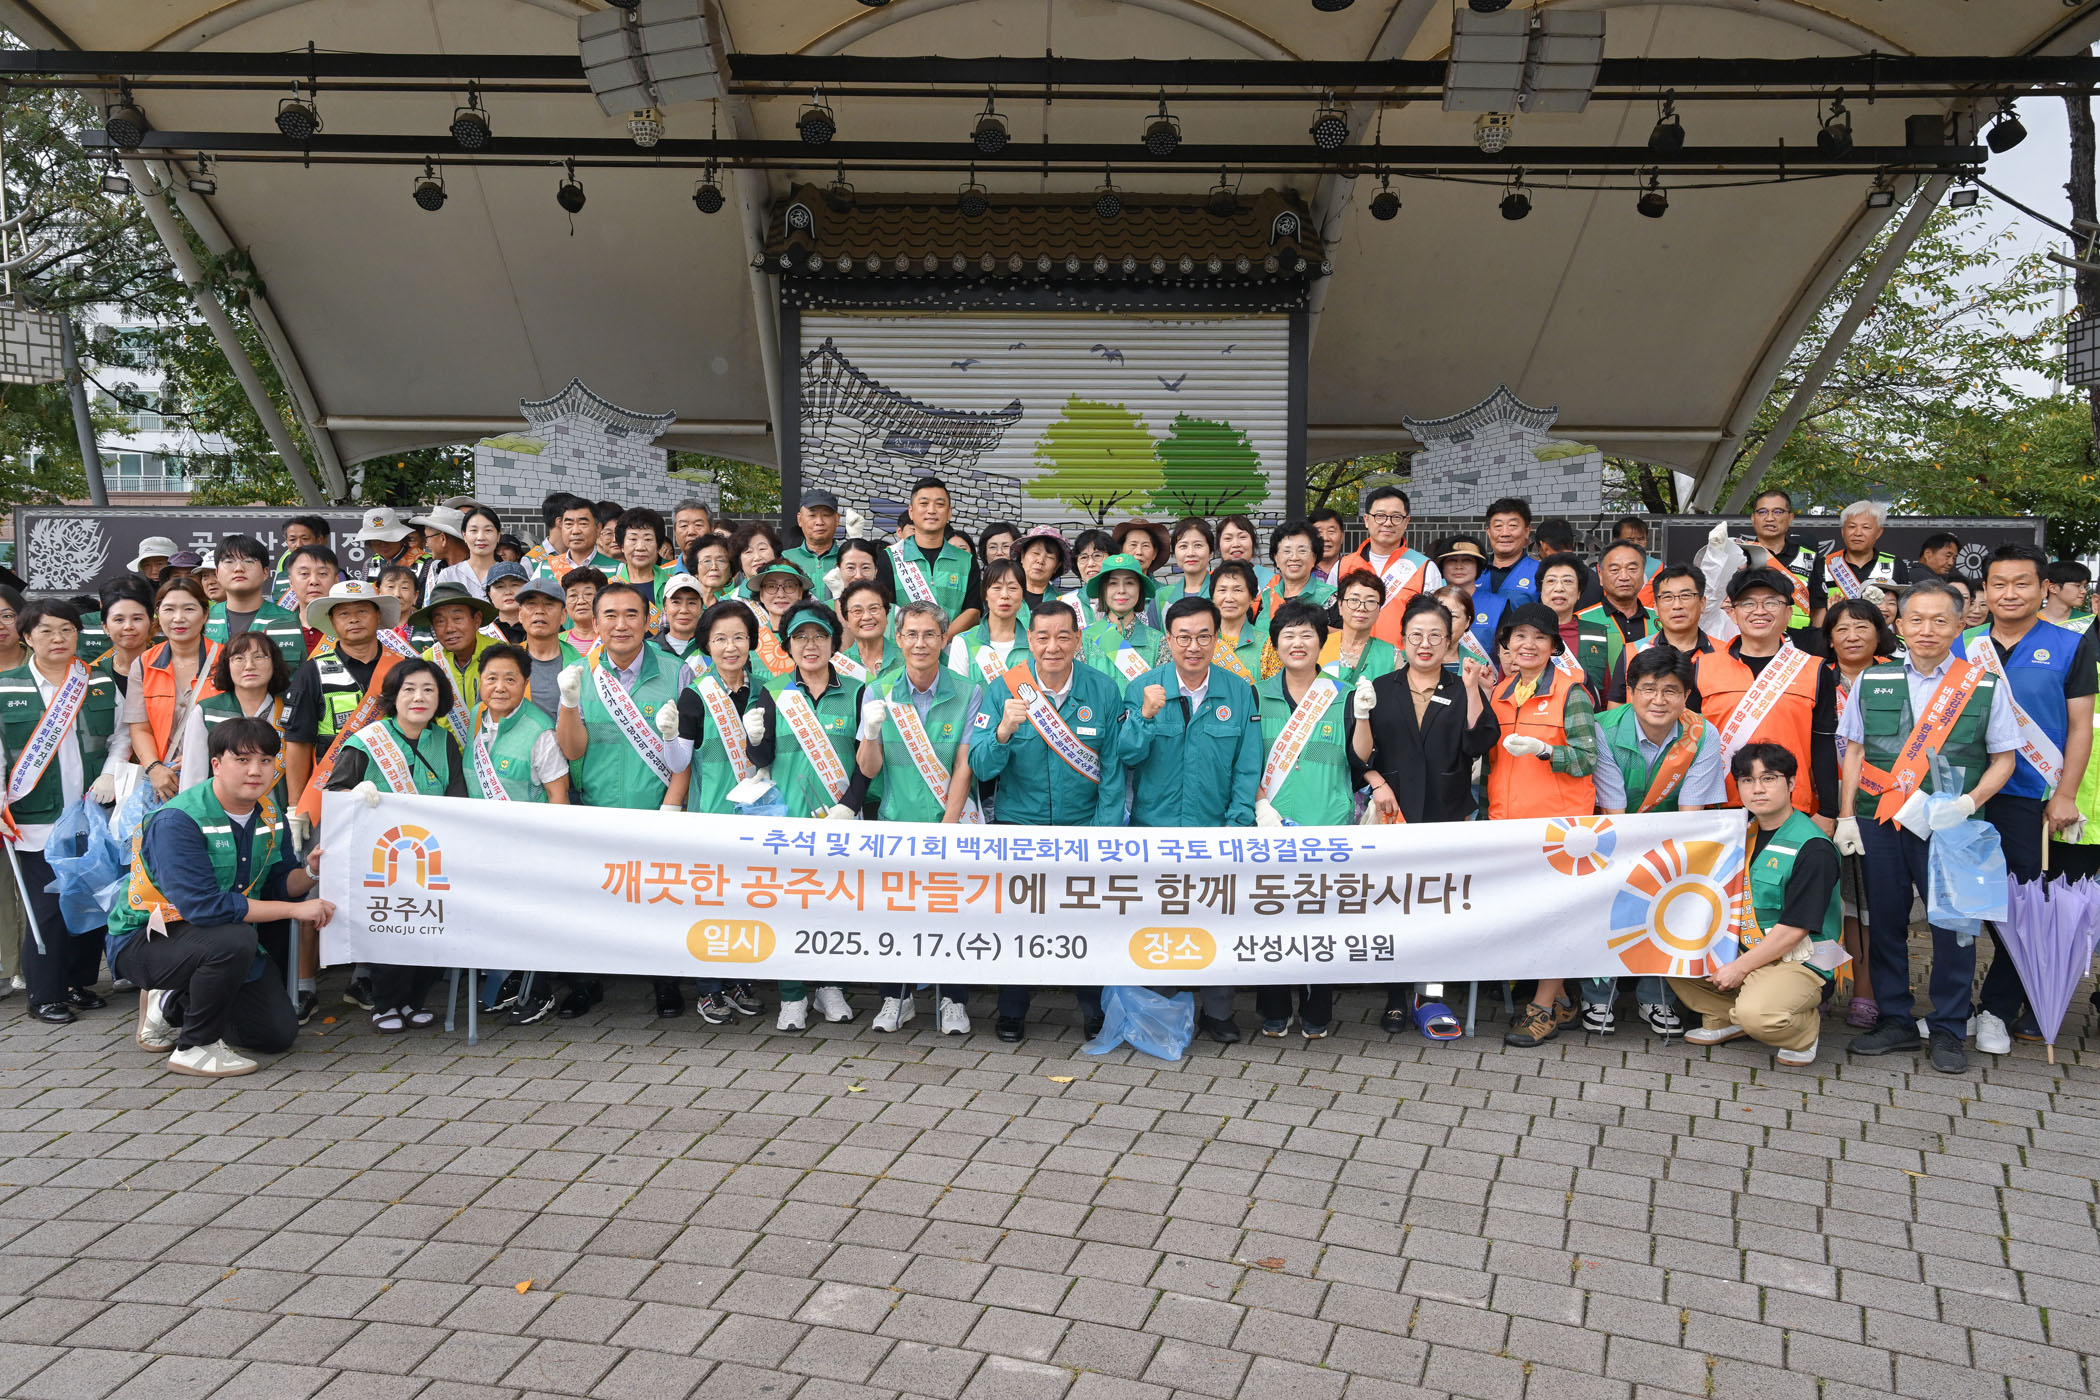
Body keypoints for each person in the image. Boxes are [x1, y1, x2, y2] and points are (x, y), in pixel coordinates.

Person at [1837, 577, 2019, 1074]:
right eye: (1916, 619)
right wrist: (1847, 815)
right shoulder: (1872, 680)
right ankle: (1895, 1019)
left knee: (1954, 927)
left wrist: (1968, 803)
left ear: (1960, 626)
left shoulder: (1983, 685)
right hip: (1881, 821)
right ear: (1899, 625)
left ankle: (1949, 1027)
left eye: (1940, 620)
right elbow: (1854, 750)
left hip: (1953, 827)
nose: (1927, 630)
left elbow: (2004, 758)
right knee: (1885, 922)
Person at [112, 717, 328, 1077]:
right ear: (216, 764)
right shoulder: (178, 819)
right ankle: (195, 1047)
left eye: (265, 760)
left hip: (219, 938)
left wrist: (312, 873)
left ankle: (170, 1003)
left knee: (275, 1034)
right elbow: (204, 907)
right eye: (242, 760)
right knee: (234, 938)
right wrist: (295, 911)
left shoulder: (269, 813)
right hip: (148, 939)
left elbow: (277, 883)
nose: (255, 771)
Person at [969, 602, 1127, 1042]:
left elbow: (1113, 772)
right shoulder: (1004, 689)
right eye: (1042, 637)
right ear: (1030, 641)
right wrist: (1002, 732)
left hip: (1083, 827)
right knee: (1020, 921)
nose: (1052, 646)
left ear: (1077, 640)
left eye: (1062, 637)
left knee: (1086, 921)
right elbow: (981, 766)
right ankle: (1011, 1010)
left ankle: (1093, 1009)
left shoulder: (1103, 690)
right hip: (1021, 827)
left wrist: (1102, 835)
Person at [1961, 544, 2097, 1051]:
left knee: (2022, 906)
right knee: (1965, 901)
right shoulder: (1964, 643)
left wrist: (2066, 794)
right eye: (1999, 584)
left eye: (2022, 583)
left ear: (2044, 589)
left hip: (2031, 795)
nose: (2010, 593)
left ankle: (1997, 1008)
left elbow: (2080, 727)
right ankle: (1958, 1008)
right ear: (1985, 590)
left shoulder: (2069, 645)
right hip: (1967, 794)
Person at [1119, 596, 1262, 1043]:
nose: (1194, 646)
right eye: (1183, 637)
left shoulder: (1238, 690)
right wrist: (1145, 716)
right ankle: (1160, 1009)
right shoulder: (1143, 687)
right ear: (1169, 639)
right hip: (1155, 831)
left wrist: (1237, 824)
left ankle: (1217, 1012)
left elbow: (1247, 765)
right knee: (1160, 921)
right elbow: (1126, 756)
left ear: (1217, 638)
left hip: (1215, 830)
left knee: (1217, 920)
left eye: (1204, 636)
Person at [1355, 596, 1498, 1036]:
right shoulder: (1380, 687)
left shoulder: (1460, 686)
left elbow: (1479, 741)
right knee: (1395, 908)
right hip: (1394, 816)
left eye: (1436, 635)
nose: (1425, 643)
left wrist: (1472, 688)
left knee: (1436, 911)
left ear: (1450, 639)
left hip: (1445, 814)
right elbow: (1357, 756)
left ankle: (1431, 995)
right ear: (1402, 639)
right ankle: (1397, 997)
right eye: (1416, 634)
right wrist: (1376, 780)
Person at [285, 578, 415, 1014]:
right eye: (343, 612)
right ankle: (304, 985)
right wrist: (296, 805)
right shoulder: (312, 670)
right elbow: (297, 742)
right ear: (332, 621)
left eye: (362, 610)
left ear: (378, 616)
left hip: (389, 794)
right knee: (314, 886)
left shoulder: (402, 669)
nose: (354, 618)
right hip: (329, 796)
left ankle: (364, 977)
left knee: (379, 883)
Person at [553, 583, 682, 1020]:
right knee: (592, 903)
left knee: (659, 900)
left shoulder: (676, 672)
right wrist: (569, 702)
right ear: (594, 622)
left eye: (631, 614)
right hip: (597, 810)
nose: (621, 624)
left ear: (648, 620)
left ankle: (666, 982)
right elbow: (571, 751)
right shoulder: (578, 673)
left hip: (657, 809)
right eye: (610, 615)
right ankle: (586, 983)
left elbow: (688, 750)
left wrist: (672, 808)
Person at [1586, 645, 1727, 1038]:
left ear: (1686, 696)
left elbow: (1690, 813)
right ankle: (1597, 994)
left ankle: (1656, 996)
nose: (1659, 700)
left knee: (1673, 897)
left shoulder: (1703, 734)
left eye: (1671, 691)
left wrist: (1668, 864)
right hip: (1612, 835)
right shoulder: (1602, 728)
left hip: (1671, 839)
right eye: (1648, 689)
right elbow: (1613, 809)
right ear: (1631, 692)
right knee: (1603, 902)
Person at [1672, 742, 1842, 1068]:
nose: (1757, 789)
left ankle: (1801, 1031)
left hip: (1800, 959)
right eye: (1747, 780)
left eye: (1769, 778)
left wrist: (1739, 968)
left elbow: (1794, 930)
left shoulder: (1813, 848)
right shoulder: (1741, 832)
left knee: (1760, 1015)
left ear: (1791, 783)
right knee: (1666, 951)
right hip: (1745, 948)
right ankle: (1728, 1017)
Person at [859, 599, 981, 1035]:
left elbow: (964, 764)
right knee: (896, 914)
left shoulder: (968, 690)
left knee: (953, 912)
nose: (920, 643)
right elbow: (869, 770)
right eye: (911, 634)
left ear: (944, 639)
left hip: (951, 822)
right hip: (897, 823)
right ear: (898, 639)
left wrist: (949, 827)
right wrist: (870, 732)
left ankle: (953, 999)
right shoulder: (878, 691)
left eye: (930, 634)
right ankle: (897, 996)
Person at [326, 658, 467, 1031]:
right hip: (381, 860)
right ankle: (385, 1004)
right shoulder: (367, 741)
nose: (419, 698)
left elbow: (457, 797)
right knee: (394, 929)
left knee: (430, 927)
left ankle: (413, 1002)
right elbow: (334, 794)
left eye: (428, 690)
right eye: (409, 689)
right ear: (393, 696)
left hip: (431, 856)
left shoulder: (445, 741)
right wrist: (356, 793)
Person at [1, 600, 121, 1025]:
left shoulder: (97, 679)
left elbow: (122, 735)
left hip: (91, 814)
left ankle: (78, 983)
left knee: (88, 898)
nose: (58, 639)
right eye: (47, 631)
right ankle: (45, 994)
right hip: (34, 818)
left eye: (67, 630)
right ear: (27, 637)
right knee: (48, 906)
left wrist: (110, 774)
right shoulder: (6, 687)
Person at [1485, 602, 1598, 1048]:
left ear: (1554, 646)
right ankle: (1563, 999)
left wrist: (1545, 750)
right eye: (1520, 636)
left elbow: (1587, 758)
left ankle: (1542, 1008)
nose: (1528, 645)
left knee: (1556, 919)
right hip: (1507, 825)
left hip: (1558, 830)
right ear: (1507, 644)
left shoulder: (1572, 692)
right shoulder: (1500, 692)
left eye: (1539, 637)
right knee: (1527, 920)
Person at [1252, 601, 1366, 1040]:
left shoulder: (1345, 694)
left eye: (1307, 635)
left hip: (1326, 824)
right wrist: (1260, 804)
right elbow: (1246, 761)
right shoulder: (1256, 694)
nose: (1297, 643)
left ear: (1321, 642)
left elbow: (1359, 758)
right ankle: (1274, 1007)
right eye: (1288, 635)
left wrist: (1365, 715)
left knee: (1320, 919)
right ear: (1275, 643)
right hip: (1270, 825)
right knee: (1271, 915)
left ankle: (1317, 1007)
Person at [660, 599, 775, 1026]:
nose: (730, 647)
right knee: (711, 904)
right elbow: (679, 763)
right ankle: (709, 988)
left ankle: (739, 980)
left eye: (739, 638)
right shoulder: (696, 694)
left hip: (759, 816)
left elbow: (770, 754)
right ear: (707, 645)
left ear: (752, 642)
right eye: (720, 639)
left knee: (747, 902)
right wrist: (670, 736)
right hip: (711, 815)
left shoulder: (767, 690)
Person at [759, 601, 871, 1029]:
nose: (810, 645)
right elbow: (761, 759)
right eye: (800, 637)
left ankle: (830, 987)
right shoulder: (773, 692)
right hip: (788, 822)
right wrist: (753, 739)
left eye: (820, 635)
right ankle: (792, 995)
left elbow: (866, 762)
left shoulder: (858, 691)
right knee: (789, 908)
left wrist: (850, 805)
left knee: (835, 906)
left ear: (833, 642)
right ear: (788, 645)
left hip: (842, 821)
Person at [1692, 568, 1836, 818]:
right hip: (1718, 808)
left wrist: (1828, 812)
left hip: (1792, 808)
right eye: (1748, 603)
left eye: (1771, 602)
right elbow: (1688, 744)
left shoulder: (1813, 669)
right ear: (1733, 612)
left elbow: (1823, 744)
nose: (1759, 611)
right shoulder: (1701, 668)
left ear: (1788, 612)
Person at [1814, 598, 1897, 1029]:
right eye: (1841, 629)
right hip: (1823, 803)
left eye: (1862, 627)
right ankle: (1819, 984)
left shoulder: (1897, 676)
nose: (1852, 636)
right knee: (1825, 900)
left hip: (1879, 803)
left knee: (1866, 901)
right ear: (1829, 638)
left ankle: (1866, 989)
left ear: (1879, 633)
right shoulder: (1815, 675)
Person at [128, 577, 223, 802]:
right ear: (158, 615)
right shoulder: (144, 664)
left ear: (205, 614)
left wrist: (199, 757)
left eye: (189, 609)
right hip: (162, 781)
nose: (178, 618)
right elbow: (139, 727)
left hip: (215, 777)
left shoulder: (227, 660)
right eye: (169, 609)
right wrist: (154, 768)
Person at [1330, 486, 1442, 647]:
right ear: (1366, 520)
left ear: (1406, 522)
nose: (1388, 523)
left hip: (1402, 659)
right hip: (1351, 659)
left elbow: (1434, 622)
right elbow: (1331, 618)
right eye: (1380, 516)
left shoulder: (1425, 568)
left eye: (1396, 517)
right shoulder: (1342, 566)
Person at [893, 478, 983, 639]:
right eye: (924, 503)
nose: (931, 510)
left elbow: (973, 610)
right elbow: (886, 610)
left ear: (949, 512)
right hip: (903, 650)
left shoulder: (966, 561)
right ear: (911, 511)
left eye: (939, 504)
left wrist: (942, 639)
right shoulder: (891, 557)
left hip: (951, 651)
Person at [412, 582, 501, 742]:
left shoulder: (503, 656)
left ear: (476, 620)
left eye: (457, 618)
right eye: (440, 621)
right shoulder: (426, 663)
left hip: (496, 750)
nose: (449, 628)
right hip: (444, 753)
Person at [207, 535, 308, 669]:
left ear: (265, 573)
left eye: (249, 561)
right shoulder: (203, 620)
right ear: (217, 573)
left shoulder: (291, 621)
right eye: (229, 561)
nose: (238, 568)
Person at [1809, 500, 1909, 624]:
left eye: (1865, 527)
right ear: (1842, 531)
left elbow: (1902, 612)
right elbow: (1818, 613)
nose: (1857, 533)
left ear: (1879, 532)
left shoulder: (1894, 565)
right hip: (1837, 633)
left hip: (1882, 635)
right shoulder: (1825, 565)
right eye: (1852, 527)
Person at [1577, 540, 1650, 701]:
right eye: (1615, 570)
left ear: (1643, 574)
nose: (1624, 577)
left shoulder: (1661, 620)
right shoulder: (1580, 620)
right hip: (1600, 710)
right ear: (1600, 576)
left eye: (1632, 569)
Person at [1080, 553, 1164, 683]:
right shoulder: (1084, 639)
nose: (1121, 590)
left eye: (1129, 583)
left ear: (1140, 590)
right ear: (1103, 590)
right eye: (1113, 583)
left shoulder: (1158, 642)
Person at [1473, 497, 1540, 654]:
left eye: (1513, 526)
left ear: (1527, 530)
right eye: (1498, 526)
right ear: (1488, 531)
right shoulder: (1473, 573)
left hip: (1521, 660)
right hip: (1472, 662)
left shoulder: (1541, 573)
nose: (1505, 533)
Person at [947, 559, 1030, 686]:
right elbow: (960, 694)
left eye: (1013, 588)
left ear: (1023, 594)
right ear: (985, 593)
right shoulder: (964, 641)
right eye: (997, 588)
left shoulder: (1034, 643)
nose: (1004, 595)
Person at [515, 577, 584, 723]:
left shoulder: (582, 665)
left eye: (549, 604)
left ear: (563, 616)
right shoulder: (506, 660)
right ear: (520, 614)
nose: (539, 611)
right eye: (531, 604)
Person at [1322, 570, 1398, 687]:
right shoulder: (1319, 646)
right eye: (1354, 600)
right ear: (1340, 606)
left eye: (1371, 601)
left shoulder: (1393, 655)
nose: (1361, 608)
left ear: (1379, 610)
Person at [744, 561, 813, 681]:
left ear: (800, 592)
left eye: (789, 586)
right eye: (771, 586)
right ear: (761, 595)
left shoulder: (815, 636)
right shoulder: (750, 639)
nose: (780, 594)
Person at [608, 507, 678, 623]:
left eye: (648, 539)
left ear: (658, 546)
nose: (640, 547)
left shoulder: (673, 586)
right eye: (633, 539)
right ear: (622, 546)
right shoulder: (609, 587)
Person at [1633, 564, 1712, 660]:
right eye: (1667, 597)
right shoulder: (1634, 652)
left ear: (1702, 604)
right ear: (1656, 607)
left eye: (1685, 595)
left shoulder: (1723, 653)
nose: (1677, 606)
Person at [782, 489, 846, 600]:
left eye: (826, 515)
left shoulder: (847, 559)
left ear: (837, 519)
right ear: (800, 519)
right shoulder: (786, 559)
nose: (819, 522)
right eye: (812, 515)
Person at [1210, 562, 1268, 682]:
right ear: (1213, 597)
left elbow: (1274, 689)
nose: (1229, 598)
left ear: (1252, 598)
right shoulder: (1202, 640)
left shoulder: (1267, 643)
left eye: (1237, 590)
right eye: (1222, 590)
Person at [1261, 523, 1334, 618]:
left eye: (1302, 551)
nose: (1294, 557)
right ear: (1276, 559)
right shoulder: (1266, 598)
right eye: (1287, 551)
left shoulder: (1330, 598)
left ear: (1314, 558)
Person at [282, 544, 341, 652]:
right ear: (291, 583)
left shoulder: (350, 629)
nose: (314, 581)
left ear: (336, 580)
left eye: (322, 573)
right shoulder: (275, 630)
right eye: (304, 574)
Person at [534, 494, 603, 582]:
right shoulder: (545, 568)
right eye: (569, 524)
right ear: (561, 526)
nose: (575, 531)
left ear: (598, 528)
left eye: (583, 524)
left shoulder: (616, 569)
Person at [410, 505, 472, 599]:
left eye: (427, 537)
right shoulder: (433, 568)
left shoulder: (477, 570)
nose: (427, 543)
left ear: (443, 539)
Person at [357, 506, 425, 588]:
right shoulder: (370, 562)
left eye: (388, 538)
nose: (383, 544)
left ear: (401, 538)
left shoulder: (425, 563)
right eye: (376, 540)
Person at [1158, 518, 1215, 612]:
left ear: (1210, 552)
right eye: (1183, 546)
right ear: (1174, 553)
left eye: (1198, 545)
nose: (1190, 553)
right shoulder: (1161, 597)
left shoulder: (1223, 593)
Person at [654, 572, 708, 670]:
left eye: (691, 603)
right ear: (665, 607)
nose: (684, 610)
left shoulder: (710, 648)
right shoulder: (648, 649)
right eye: (676, 602)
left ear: (701, 608)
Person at [1013, 527, 1070, 613]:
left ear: (1057, 566)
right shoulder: (1005, 594)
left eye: (1050, 557)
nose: (1040, 561)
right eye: (1035, 553)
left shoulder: (1063, 603)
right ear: (1022, 556)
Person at [1064, 529, 1115, 623]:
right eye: (1083, 557)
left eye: (1097, 556)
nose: (1090, 564)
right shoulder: (1067, 603)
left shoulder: (1125, 598)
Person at [725, 521, 785, 600]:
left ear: (775, 553)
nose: (757, 557)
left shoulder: (791, 592)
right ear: (739, 561)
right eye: (748, 551)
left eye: (762, 549)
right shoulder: (730, 600)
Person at [1217, 515, 1275, 592]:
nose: (1236, 544)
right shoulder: (1208, 581)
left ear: (1253, 542)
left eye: (1242, 537)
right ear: (1219, 546)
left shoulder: (1272, 581)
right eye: (1228, 538)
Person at [559, 566, 605, 650]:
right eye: (573, 595)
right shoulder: (555, 642)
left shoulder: (613, 640)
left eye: (588, 594)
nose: (581, 601)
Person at [484, 561, 530, 643]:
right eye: (500, 586)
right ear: (489, 594)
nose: (508, 592)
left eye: (514, 584)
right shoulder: (482, 633)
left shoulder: (540, 628)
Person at [684, 533, 734, 607]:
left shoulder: (734, 603)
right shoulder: (684, 602)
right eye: (707, 561)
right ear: (696, 570)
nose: (714, 567)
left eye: (721, 561)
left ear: (730, 571)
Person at [1611, 515, 1664, 581]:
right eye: (1630, 540)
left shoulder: (1659, 568)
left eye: (1640, 539)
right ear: (1615, 541)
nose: (1636, 544)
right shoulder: (1603, 567)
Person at [2043, 559, 2091, 629]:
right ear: (2053, 588)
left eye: (2085, 586)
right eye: (2077, 586)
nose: (2084, 591)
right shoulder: (2030, 621)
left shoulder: (2088, 622)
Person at [1306, 508, 1346, 584]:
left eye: (1331, 531)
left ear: (1342, 536)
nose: (1325, 538)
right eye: (1318, 532)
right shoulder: (1301, 571)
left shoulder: (1353, 568)